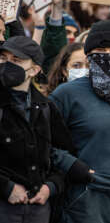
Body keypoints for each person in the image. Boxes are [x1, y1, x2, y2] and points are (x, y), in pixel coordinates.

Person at [49, 21, 110, 223]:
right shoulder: (66, 94)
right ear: (88, 54)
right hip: (87, 197)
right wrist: (75, 167)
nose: (107, 55)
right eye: (101, 50)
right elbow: (45, 142)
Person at [0, 36, 92, 223]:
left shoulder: (46, 108)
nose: (7, 65)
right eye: (3, 58)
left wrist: (50, 187)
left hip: (38, 209)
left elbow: (62, 153)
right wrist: (7, 188)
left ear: (34, 70)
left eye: (16, 61)